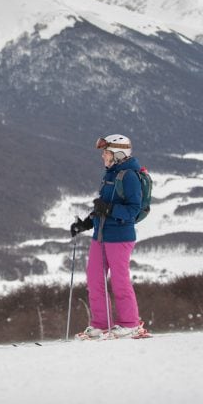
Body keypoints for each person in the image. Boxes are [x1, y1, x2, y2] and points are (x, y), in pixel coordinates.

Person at [70, 134, 146, 339]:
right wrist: (85, 223)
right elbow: (101, 208)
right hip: (101, 235)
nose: (103, 156)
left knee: (120, 281)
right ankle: (101, 325)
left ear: (118, 154)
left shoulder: (129, 176)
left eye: (106, 152)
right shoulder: (110, 174)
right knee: (94, 280)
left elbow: (132, 210)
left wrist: (110, 209)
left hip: (120, 237)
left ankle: (130, 324)